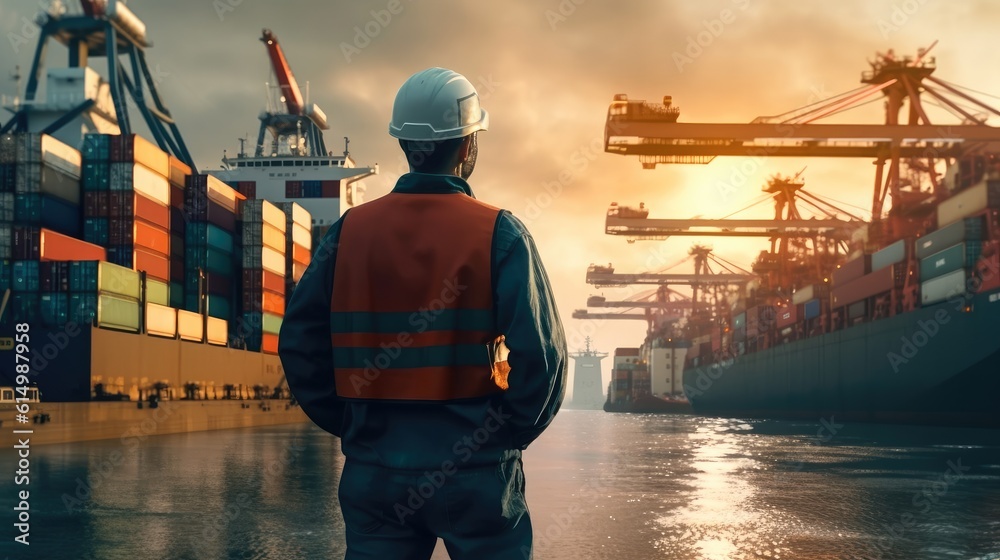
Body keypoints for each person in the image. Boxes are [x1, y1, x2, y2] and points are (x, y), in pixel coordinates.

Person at [278, 67, 567, 560]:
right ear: (468, 144)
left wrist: (353, 425)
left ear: (405, 145)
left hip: (375, 471)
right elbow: (542, 359)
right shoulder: (501, 234)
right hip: (476, 471)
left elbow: (299, 344)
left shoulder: (349, 232)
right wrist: (504, 436)